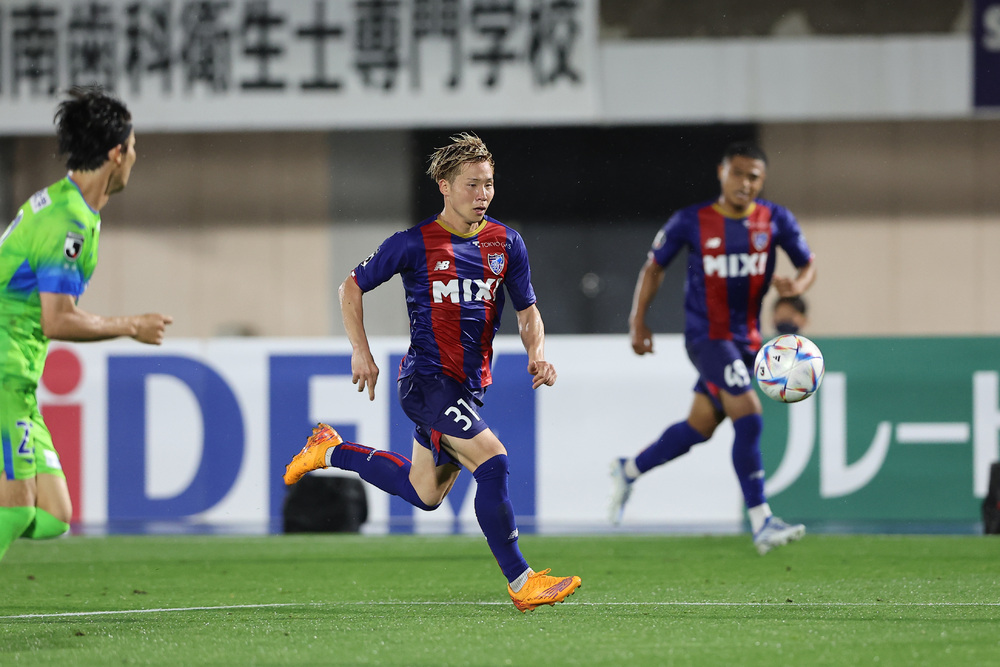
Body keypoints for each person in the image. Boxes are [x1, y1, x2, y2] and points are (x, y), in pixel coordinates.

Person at [284, 132, 581, 612]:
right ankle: (521, 580)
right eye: (471, 185)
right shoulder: (412, 243)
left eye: (488, 184)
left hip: (468, 388)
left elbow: (527, 310)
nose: (482, 195)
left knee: (425, 493)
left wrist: (537, 354)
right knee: (493, 461)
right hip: (426, 381)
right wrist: (361, 351)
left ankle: (329, 450)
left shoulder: (507, 242)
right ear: (444, 185)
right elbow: (350, 287)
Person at [609, 141, 816, 555]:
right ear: (722, 173)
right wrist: (638, 320)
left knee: (698, 428)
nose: (745, 183)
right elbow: (654, 267)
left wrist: (798, 284)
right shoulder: (691, 220)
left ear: (762, 180)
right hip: (706, 337)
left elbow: (807, 263)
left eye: (754, 176)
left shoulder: (775, 219)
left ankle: (628, 469)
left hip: (749, 342)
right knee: (749, 417)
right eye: (738, 173)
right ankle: (762, 521)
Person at [0, 86, 173, 563]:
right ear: (116, 153)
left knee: (53, 515)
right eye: (132, 147)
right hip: (3, 368)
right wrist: (131, 326)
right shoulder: (69, 221)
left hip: (18, 375)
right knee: (15, 509)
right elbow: (57, 320)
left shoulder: (70, 208)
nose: (134, 157)